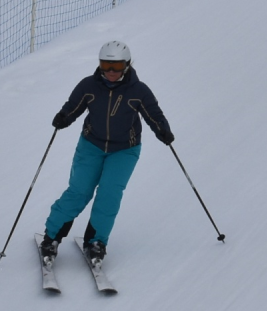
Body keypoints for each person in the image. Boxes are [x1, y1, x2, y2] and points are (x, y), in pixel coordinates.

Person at [39, 41, 174, 264]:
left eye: (117, 66)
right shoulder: (89, 86)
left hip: (125, 150)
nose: (111, 71)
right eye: (105, 65)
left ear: (127, 65)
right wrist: (64, 117)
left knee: (109, 194)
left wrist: (162, 130)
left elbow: (154, 114)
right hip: (91, 145)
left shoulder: (138, 91)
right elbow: (73, 106)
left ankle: (96, 242)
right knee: (79, 191)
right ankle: (51, 237)